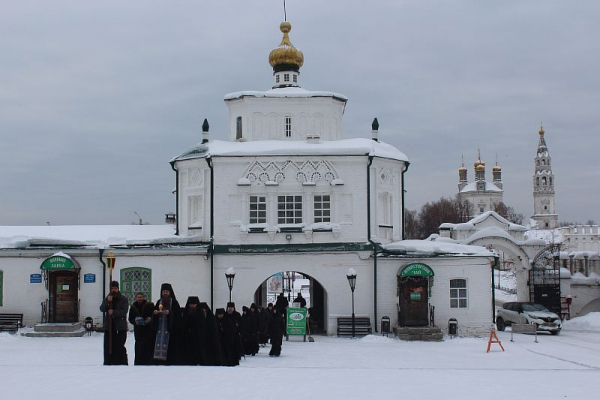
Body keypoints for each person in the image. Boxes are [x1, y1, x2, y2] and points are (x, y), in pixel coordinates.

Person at [99, 281, 129, 365]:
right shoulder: (108, 298)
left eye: (115, 288)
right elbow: (102, 308)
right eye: (112, 288)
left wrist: (114, 312)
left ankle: (121, 362)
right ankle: (109, 362)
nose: (114, 290)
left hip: (120, 327)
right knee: (109, 346)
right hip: (109, 327)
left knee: (119, 346)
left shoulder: (123, 299)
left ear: (118, 289)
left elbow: (124, 311)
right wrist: (107, 302)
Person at [153, 283, 182, 365]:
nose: (165, 293)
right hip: (160, 328)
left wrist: (170, 313)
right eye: (163, 292)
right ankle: (159, 361)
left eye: (166, 292)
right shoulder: (159, 302)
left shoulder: (174, 302)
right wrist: (154, 313)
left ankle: (170, 361)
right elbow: (155, 313)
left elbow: (178, 315)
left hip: (170, 329)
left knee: (171, 346)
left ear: (170, 293)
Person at [128, 292, 154, 365]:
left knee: (147, 345)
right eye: (138, 297)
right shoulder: (133, 307)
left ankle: (148, 362)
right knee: (139, 346)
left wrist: (150, 319)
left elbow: (153, 315)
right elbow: (130, 318)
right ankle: (138, 362)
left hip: (147, 329)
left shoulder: (149, 305)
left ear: (143, 297)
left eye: (141, 297)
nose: (139, 298)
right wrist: (135, 322)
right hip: (138, 330)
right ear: (136, 298)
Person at [182, 296, 203, 365]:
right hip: (187, 335)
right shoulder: (186, 312)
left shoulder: (200, 313)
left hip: (198, 336)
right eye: (191, 304)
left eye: (194, 304)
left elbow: (202, 324)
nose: (192, 306)